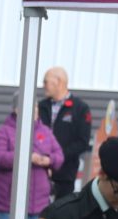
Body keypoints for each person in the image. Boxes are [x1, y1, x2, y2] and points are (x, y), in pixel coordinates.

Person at [38, 67, 93, 200]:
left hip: (65, 173)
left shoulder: (80, 108)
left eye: (46, 82)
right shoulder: (40, 106)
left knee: (61, 212)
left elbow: (82, 142)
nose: (43, 86)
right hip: (39, 171)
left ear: (59, 82)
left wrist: (56, 157)